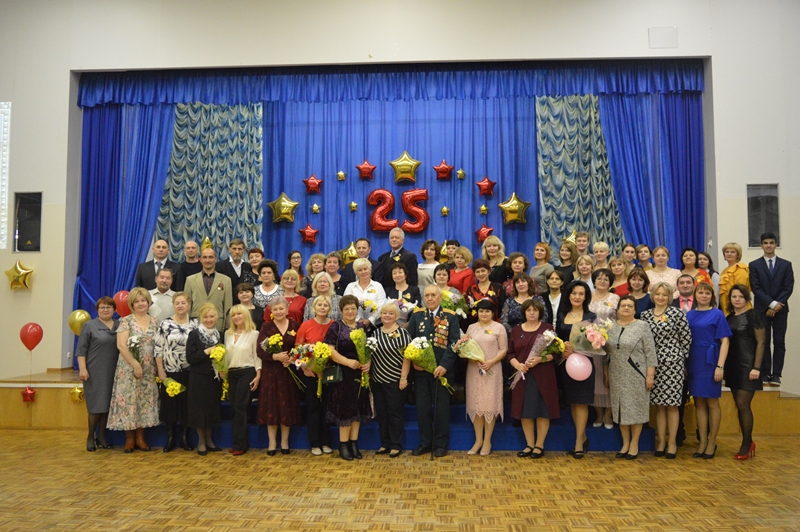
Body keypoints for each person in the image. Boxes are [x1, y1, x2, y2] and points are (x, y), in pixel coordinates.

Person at [407, 285, 461, 457]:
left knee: (441, 409)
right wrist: (415, 362)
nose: (430, 298)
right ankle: (425, 443)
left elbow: (454, 343)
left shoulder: (450, 316)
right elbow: (410, 342)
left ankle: (440, 444)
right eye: (427, 295)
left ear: (440, 297)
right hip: (421, 372)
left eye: (433, 295)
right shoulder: (417, 316)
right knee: (422, 409)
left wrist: (444, 365)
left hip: (442, 371)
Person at [603, 295, 658, 460]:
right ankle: (625, 443)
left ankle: (634, 443)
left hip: (636, 374)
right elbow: (606, 353)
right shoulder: (610, 327)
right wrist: (606, 373)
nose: (626, 308)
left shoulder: (642, 326)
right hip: (616, 374)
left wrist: (650, 375)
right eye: (623, 305)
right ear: (618, 309)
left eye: (630, 306)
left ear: (635, 309)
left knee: (636, 410)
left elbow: (650, 352)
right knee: (620, 410)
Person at [641, 282, 691, 459]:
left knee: (672, 405)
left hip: (673, 365)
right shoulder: (645, 315)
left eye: (664, 294)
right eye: (658, 294)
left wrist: (681, 360)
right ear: (653, 296)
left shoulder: (677, 313)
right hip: (652, 365)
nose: (661, 297)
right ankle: (661, 442)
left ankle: (672, 443)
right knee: (659, 406)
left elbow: (686, 339)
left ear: (669, 297)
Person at [107, 287, 160, 453]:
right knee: (129, 401)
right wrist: (135, 365)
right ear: (132, 304)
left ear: (148, 302)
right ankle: (129, 439)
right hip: (128, 369)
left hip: (148, 370)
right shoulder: (126, 321)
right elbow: (121, 346)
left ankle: (141, 438)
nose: (140, 304)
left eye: (143, 300)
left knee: (143, 402)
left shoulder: (155, 322)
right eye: (137, 301)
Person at [507, 299, 560, 459]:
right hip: (522, 376)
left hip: (543, 375)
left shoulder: (547, 329)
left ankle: (539, 445)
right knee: (525, 411)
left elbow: (556, 353)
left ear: (540, 312)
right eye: (528, 310)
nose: (531, 313)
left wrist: (540, 359)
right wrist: (517, 365)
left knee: (543, 411)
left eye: (535, 310)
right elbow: (510, 353)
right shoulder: (516, 331)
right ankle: (529, 444)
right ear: (524, 312)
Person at [323, 295, 373, 460]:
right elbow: (330, 350)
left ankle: (353, 444)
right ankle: (343, 445)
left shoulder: (361, 327)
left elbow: (368, 349)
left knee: (357, 410)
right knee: (346, 411)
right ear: (341, 311)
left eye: (353, 308)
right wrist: (347, 362)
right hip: (343, 375)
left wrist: (368, 363)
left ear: (357, 310)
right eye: (347, 309)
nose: (350, 311)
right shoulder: (336, 326)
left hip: (360, 374)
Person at [686, 282, 731, 459]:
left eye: (707, 293)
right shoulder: (690, 314)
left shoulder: (717, 314)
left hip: (711, 360)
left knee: (712, 402)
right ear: (695, 295)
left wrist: (720, 366)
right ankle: (702, 441)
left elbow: (725, 341)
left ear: (712, 296)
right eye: (700, 292)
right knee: (699, 402)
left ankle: (712, 441)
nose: (703, 296)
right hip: (694, 360)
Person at [555, 280, 597, 459]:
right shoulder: (562, 314)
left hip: (584, 365)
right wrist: (562, 349)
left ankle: (579, 443)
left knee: (581, 402)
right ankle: (582, 436)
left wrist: (579, 349)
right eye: (574, 293)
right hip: (566, 364)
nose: (577, 297)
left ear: (586, 297)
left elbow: (596, 342)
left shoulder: (591, 316)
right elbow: (556, 337)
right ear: (569, 295)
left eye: (581, 294)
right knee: (573, 402)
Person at [154, 292, 199, 452]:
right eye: (177, 303)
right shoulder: (165, 324)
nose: (180, 306)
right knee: (170, 406)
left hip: (190, 371)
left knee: (187, 405)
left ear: (189, 305)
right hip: (170, 371)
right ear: (173, 305)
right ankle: (171, 438)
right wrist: (160, 370)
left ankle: (185, 438)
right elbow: (158, 348)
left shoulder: (195, 324)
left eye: (183, 303)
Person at [749, 232, 794, 386]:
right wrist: (771, 304)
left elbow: (788, 287)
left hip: (781, 309)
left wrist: (776, 306)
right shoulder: (754, 265)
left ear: (776, 244)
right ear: (761, 245)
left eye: (771, 243)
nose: (768, 245)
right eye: (765, 243)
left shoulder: (786, 264)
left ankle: (776, 374)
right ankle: (765, 372)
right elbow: (756, 288)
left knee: (779, 341)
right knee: (764, 341)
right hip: (762, 309)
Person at [725, 284, 765, 460]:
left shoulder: (753, 315)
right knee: (739, 405)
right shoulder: (729, 318)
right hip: (733, 367)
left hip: (749, 367)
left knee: (743, 405)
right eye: (734, 296)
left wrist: (756, 367)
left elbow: (761, 343)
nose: (737, 299)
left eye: (740, 296)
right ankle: (748, 442)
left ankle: (747, 443)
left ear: (746, 298)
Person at [256, 297, 299, 456]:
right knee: (272, 407)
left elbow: (300, 346)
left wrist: (292, 359)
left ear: (287, 310)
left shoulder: (295, 325)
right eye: (275, 309)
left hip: (289, 372)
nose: (279, 312)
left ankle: (285, 442)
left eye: (281, 308)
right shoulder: (266, 326)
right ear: (271, 312)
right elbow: (260, 350)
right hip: (271, 373)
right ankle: (272, 442)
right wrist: (275, 356)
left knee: (286, 407)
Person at [76, 296, 119, 451]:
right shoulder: (89, 326)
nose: (105, 310)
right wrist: (82, 368)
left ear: (114, 309)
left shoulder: (120, 325)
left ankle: (101, 436)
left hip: (114, 371)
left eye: (109, 307)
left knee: (107, 405)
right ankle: (90, 437)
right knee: (96, 406)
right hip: (95, 371)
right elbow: (81, 350)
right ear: (97, 310)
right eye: (102, 307)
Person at [465, 299, 507, 456]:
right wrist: (471, 358)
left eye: (487, 311)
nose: (484, 314)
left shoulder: (499, 328)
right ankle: (478, 441)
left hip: (492, 370)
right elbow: (465, 347)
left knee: (489, 404)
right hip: (474, 370)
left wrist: (491, 362)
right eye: (481, 311)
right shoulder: (471, 328)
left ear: (492, 313)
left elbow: (503, 349)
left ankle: (487, 441)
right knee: (476, 404)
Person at [370, 302, 413, 458]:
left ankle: (396, 444)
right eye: (384, 313)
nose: (387, 316)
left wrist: (404, 378)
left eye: (391, 313)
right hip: (377, 379)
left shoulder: (403, 333)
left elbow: (407, 357)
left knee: (395, 413)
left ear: (396, 316)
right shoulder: (375, 333)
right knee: (382, 413)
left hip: (395, 379)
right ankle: (385, 443)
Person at [295, 296, 335, 456]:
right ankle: (315, 443)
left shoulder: (334, 325)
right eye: (319, 304)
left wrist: (327, 367)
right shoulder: (306, 325)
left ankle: (326, 442)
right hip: (310, 374)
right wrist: (305, 368)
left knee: (327, 409)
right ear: (314, 308)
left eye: (325, 305)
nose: (322, 307)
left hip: (328, 373)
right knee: (313, 408)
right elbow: (298, 348)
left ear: (329, 308)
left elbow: (338, 348)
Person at [185, 303, 224, 455]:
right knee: (199, 411)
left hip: (214, 379)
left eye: (212, 316)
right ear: (201, 318)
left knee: (211, 409)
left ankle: (209, 439)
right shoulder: (194, 334)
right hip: (198, 378)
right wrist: (206, 351)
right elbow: (190, 358)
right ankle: (201, 441)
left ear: (216, 317)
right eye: (206, 317)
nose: (209, 319)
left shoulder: (220, 334)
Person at [225, 304, 261, 456]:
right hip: (231, 373)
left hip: (247, 372)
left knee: (241, 407)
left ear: (246, 315)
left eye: (239, 314)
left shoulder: (254, 334)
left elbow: (257, 356)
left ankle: (241, 444)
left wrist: (258, 375)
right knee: (234, 408)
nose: (236, 317)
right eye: (233, 315)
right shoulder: (227, 334)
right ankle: (236, 443)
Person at [588, 269, 619, 429]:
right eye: (599, 278)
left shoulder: (615, 298)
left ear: (610, 282)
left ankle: (608, 414)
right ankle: (599, 413)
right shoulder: (588, 296)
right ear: (594, 281)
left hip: (610, 342)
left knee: (609, 379)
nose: (602, 281)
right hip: (590, 343)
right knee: (595, 379)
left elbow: (619, 319)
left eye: (606, 279)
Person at [184, 247, 233, 332]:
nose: (208, 260)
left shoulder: (226, 280)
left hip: (218, 325)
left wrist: (227, 327)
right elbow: (187, 305)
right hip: (196, 323)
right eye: (205, 257)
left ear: (215, 259)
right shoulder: (190, 280)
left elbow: (228, 306)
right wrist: (186, 325)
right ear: (200, 259)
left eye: (210, 257)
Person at [343, 257, 387, 329]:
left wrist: (370, 320)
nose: (363, 272)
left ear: (370, 270)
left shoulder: (378, 286)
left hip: (375, 326)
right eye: (360, 270)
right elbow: (345, 305)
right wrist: (358, 319)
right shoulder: (350, 287)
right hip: (353, 325)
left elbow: (382, 306)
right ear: (356, 273)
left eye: (365, 269)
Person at [463, 259, 504, 332]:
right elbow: (468, 311)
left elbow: (502, 308)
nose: (480, 274)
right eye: (477, 272)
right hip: (476, 327)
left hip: (495, 326)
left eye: (483, 271)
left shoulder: (498, 287)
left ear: (488, 272)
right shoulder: (470, 290)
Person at [719, 242, 750, 317]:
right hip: (726, 306)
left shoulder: (740, 269)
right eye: (727, 252)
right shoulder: (724, 270)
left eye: (732, 252)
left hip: (738, 307)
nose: (729, 254)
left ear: (738, 255)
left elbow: (741, 291)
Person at [216, 238, 250, 303]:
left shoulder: (248, 266)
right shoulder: (221, 266)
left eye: (240, 249)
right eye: (234, 249)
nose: (237, 252)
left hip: (244, 302)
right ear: (229, 249)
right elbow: (219, 287)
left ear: (243, 250)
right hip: (227, 301)